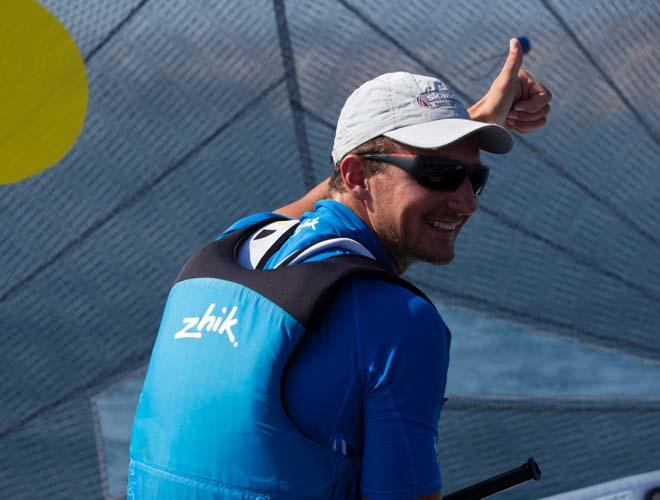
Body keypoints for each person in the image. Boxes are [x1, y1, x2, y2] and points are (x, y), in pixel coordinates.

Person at [128, 39, 551, 499]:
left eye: (475, 177)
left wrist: (472, 121)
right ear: (355, 175)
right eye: (438, 175)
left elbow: (328, 195)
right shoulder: (400, 322)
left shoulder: (226, 250)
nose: (467, 201)